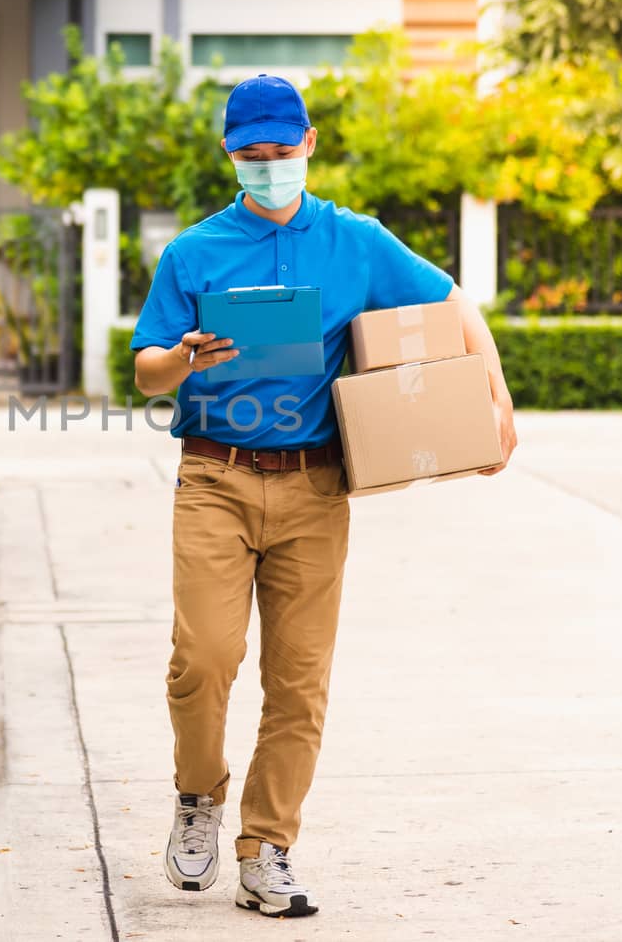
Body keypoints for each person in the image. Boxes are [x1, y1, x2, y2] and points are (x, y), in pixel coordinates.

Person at [129, 74, 518, 919]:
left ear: (309, 144)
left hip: (314, 487)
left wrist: (498, 397)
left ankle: (268, 849)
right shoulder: (193, 253)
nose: (268, 167)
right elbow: (144, 369)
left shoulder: (355, 241)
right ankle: (198, 798)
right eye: (251, 156)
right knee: (204, 658)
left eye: (281, 152)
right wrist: (187, 356)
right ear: (231, 155)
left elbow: (452, 301)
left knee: (299, 681)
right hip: (214, 478)